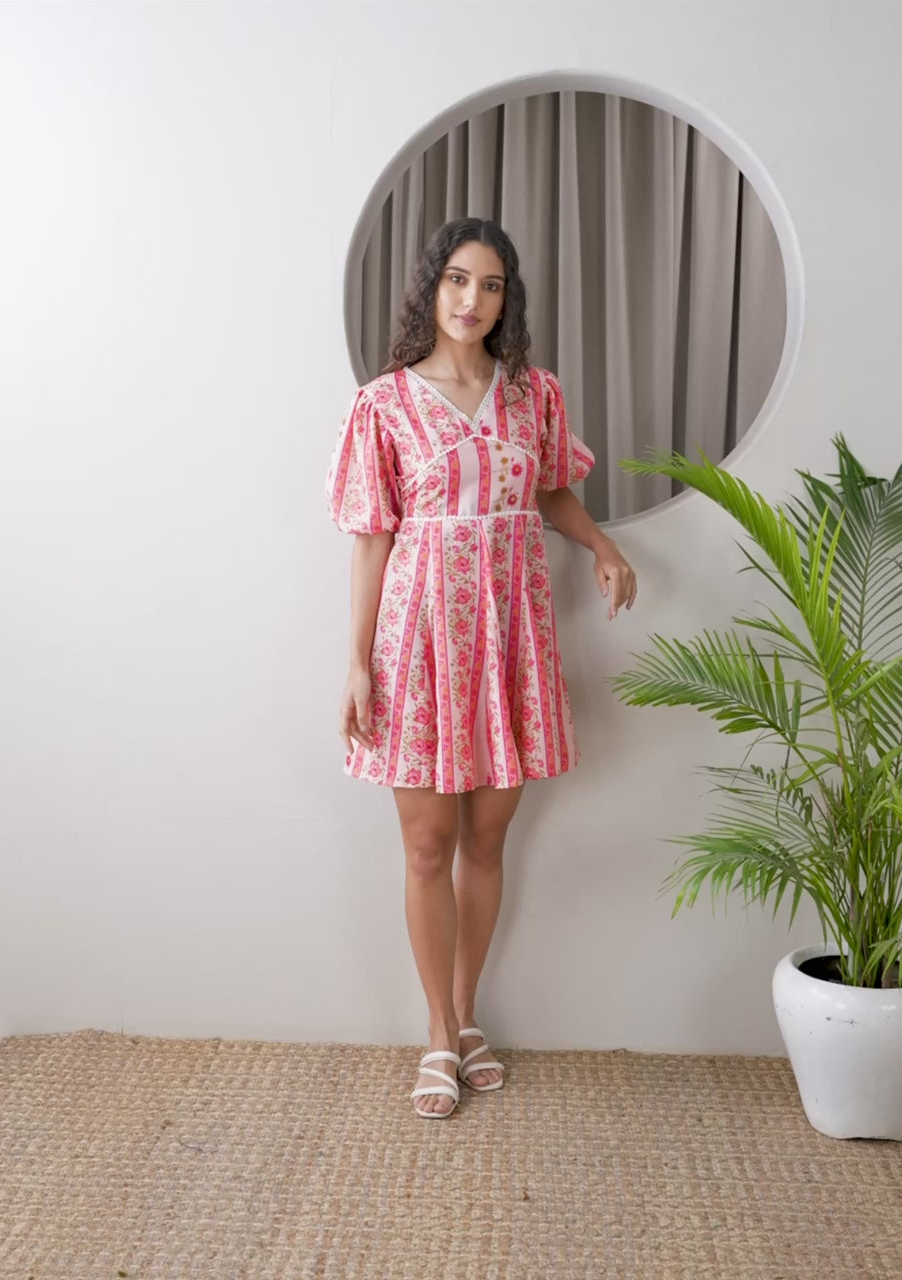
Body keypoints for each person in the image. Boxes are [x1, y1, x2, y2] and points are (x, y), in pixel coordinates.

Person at [324, 217, 637, 1118]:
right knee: (427, 845)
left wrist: (601, 546)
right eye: (458, 279)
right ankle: (435, 1031)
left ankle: (466, 1019)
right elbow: (372, 538)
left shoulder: (534, 394)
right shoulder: (383, 404)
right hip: (418, 641)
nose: (472, 299)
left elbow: (549, 488)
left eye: (491, 285)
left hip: (511, 637)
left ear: (508, 300)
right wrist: (357, 663)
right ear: (432, 287)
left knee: (487, 842)